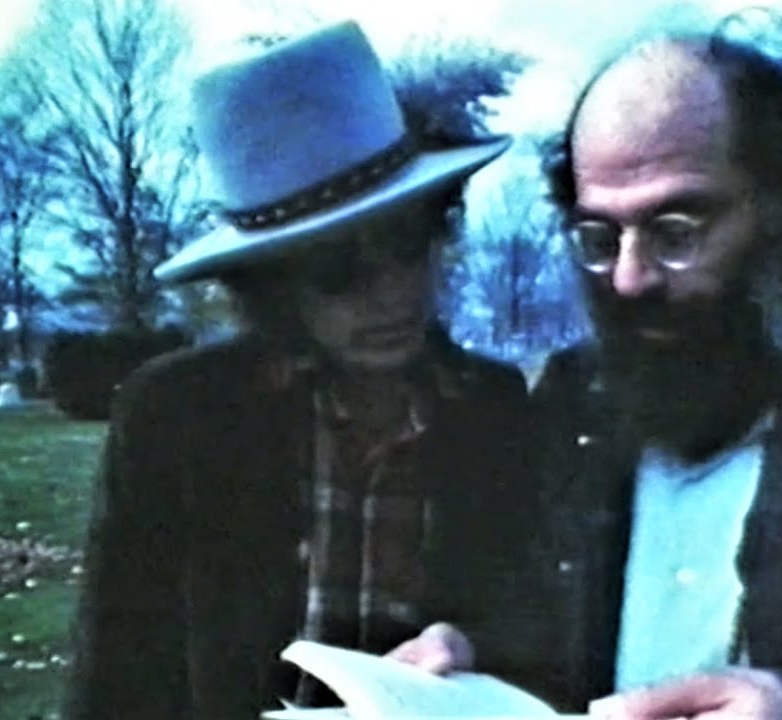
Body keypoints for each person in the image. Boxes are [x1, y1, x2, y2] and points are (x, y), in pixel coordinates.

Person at [412, 15, 782, 720]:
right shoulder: (572, 400)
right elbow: (556, 637)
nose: (629, 277)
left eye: (677, 232)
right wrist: (472, 654)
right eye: (598, 236)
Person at [62, 21, 532, 720]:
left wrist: (473, 643)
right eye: (339, 272)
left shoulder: (493, 406)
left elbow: (534, 623)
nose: (391, 295)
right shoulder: (180, 413)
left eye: (407, 246)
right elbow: (118, 658)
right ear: (274, 285)